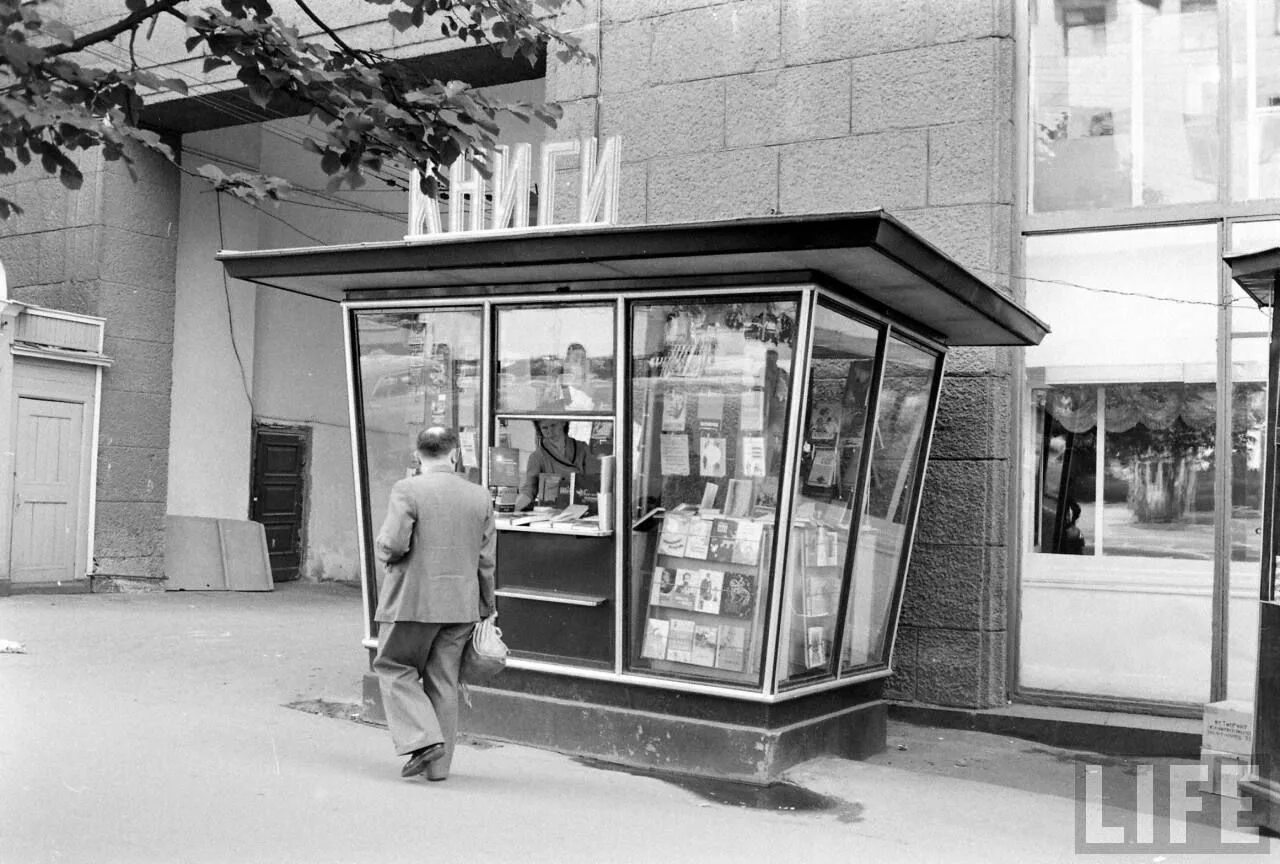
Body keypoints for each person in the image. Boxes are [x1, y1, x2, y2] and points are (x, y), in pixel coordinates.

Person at [372, 426, 496, 781]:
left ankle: (424, 740)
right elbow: (486, 559)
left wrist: (384, 553)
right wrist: (486, 604)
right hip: (461, 604)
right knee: (444, 679)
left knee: (394, 666)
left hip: (413, 601)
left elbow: (394, 544)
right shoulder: (480, 496)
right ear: (454, 455)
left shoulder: (407, 489)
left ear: (418, 455)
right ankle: (439, 770)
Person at [515, 418, 595, 511]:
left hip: (581, 509)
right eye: (545, 428)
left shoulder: (582, 449)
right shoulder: (537, 457)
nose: (550, 432)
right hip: (551, 512)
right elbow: (529, 490)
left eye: (553, 425)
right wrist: (514, 508)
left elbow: (594, 482)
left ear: (563, 422)